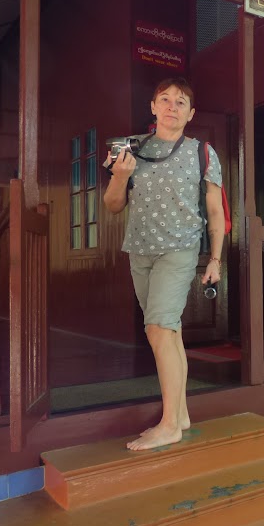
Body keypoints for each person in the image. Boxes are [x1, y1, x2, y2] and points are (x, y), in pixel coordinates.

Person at [103, 78, 225, 451]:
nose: (172, 106)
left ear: (191, 114)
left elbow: (216, 211)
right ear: (154, 107)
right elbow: (112, 205)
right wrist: (120, 176)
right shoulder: (132, 149)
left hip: (179, 249)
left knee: (157, 328)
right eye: (165, 99)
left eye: (181, 101)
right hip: (139, 251)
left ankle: (169, 424)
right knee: (169, 333)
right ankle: (182, 415)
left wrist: (215, 259)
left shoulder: (202, 152)